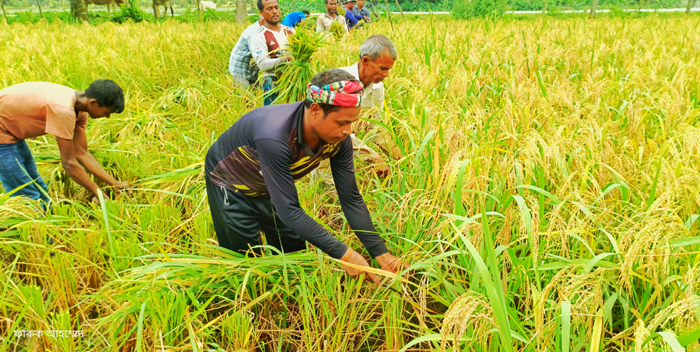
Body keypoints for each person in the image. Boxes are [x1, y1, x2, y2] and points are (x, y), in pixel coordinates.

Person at [205, 69, 404, 284]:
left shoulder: (338, 141)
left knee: (293, 248)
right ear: (316, 110)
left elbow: (350, 198)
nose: (349, 131)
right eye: (341, 123)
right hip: (230, 181)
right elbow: (289, 211)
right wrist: (346, 255)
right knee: (245, 259)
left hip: (268, 181)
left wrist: (381, 254)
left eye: (351, 122)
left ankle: (288, 299)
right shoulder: (275, 137)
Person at [0, 80, 128, 207]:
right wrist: (97, 192)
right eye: (107, 112)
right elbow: (69, 163)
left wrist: (114, 183)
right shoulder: (62, 110)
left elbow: (82, 153)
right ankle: (34, 225)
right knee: (26, 195)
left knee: (38, 186)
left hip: (10, 131)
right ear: (93, 103)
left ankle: (47, 221)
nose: (107, 117)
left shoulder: (80, 109)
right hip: (3, 133)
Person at [311, 35, 397, 184]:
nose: (386, 75)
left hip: (348, 146)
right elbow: (337, 131)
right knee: (327, 194)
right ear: (366, 61)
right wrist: (373, 156)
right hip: (325, 147)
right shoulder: (337, 84)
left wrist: (393, 150)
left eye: (389, 69)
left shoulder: (377, 87)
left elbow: (375, 125)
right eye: (383, 68)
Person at [252, 0, 295, 106]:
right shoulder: (259, 36)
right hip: (273, 84)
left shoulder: (291, 31)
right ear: (261, 12)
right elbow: (262, 64)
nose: (275, 11)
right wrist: (285, 59)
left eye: (276, 7)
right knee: (274, 119)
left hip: (294, 82)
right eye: (269, 9)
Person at [228, 16, 265, 88]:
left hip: (251, 66)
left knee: (256, 92)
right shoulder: (253, 33)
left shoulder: (263, 30)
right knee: (244, 95)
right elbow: (259, 53)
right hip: (240, 67)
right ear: (264, 21)